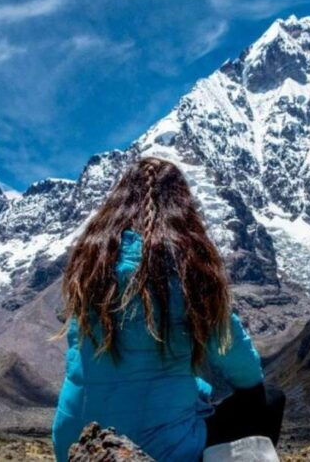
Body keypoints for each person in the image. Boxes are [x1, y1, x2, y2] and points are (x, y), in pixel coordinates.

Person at [51, 157, 285, 461]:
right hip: (162, 450)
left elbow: (110, 372)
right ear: (182, 205)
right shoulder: (189, 266)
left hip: (74, 444)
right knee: (268, 399)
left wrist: (194, 389)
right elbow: (246, 371)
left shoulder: (91, 264)